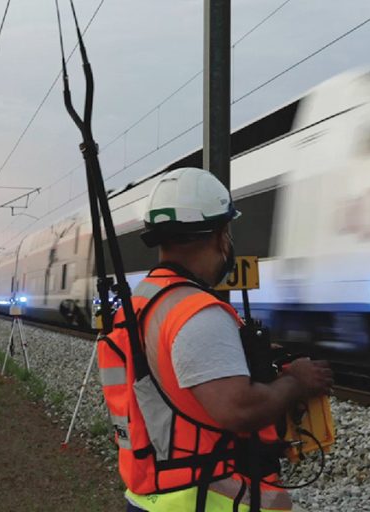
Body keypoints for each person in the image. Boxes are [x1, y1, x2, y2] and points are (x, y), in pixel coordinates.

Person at [98, 167, 332, 512]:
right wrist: (296, 382)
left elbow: (170, 373)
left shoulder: (144, 301)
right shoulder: (197, 313)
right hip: (209, 497)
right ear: (221, 234)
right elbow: (238, 409)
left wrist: (239, 357)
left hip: (157, 493)